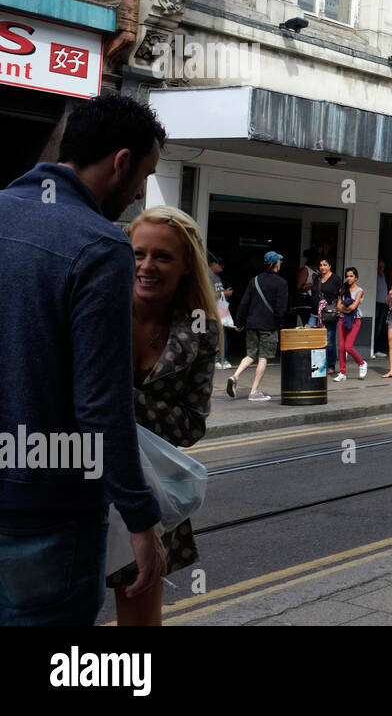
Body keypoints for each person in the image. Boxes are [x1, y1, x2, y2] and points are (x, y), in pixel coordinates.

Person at [0, 92, 167, 625]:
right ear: (121, 162)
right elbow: (100, 405)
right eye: (144, 173)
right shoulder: (99, 246)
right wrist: (142, 522)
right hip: (45, 511)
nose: (142, 190)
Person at [110, 206, 218, 626]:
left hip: (149, 488)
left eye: (163, 257)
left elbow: (192, 424)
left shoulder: (199, 330)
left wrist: (111, 398)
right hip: (76, 474)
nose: (147, 266)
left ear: (187, 263)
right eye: (138, 254)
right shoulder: (97, 310)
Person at [228, 251, 289, 402]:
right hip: (269, 326)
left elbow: (244, 303)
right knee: (263, 357)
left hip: (252, 324)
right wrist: (278, 324)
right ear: (276, 264)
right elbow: (282, 309)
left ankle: (235, 376)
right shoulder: (281, 283)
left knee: (250, 354)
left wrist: (239, 323)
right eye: (279, 262)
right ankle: (253, 392)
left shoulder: (254, 280)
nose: (280, 264)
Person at [311, 256, 343, 374]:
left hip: (329, 314)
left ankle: (331, 365)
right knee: (313, 339)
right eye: (320, 265)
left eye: (325, 265)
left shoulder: (336, 279)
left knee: (329, 341)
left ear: (330, 266)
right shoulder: (317, 278)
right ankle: (317, 366)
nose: (322, 267)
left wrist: (339, 308)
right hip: (315, 313)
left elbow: (341, 295)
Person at [335, 267, 367, 381]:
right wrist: (346, 310)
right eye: (347, 276)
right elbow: (338, 306)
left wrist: (344, 309)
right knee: (341, 347)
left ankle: (362, 363)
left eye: (351, 276)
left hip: (355, 320)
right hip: (342, 320)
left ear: (356, 277)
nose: (349, 278)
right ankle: (342, 373)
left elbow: (354, 307)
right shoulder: (342, 289)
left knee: (348, 346)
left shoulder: (360, 291)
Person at [209, 252, 235, 370]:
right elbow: (209, 294)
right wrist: (225, 293)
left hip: (219, 310)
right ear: (213, 264)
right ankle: (218, 360)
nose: (222, 267)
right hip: (211, 311)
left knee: (220, 335)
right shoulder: (207, 275)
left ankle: (220, 359)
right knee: (218, 335)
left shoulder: (217, 277)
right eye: (221, 264)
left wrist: (224, 294)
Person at [372, 258, 388, 358]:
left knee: (379, 327)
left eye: (383, 266)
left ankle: (377, 349)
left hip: (383, 304)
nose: (381, 268)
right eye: (380, 266)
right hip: (377, 304)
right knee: (376, 327)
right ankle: (373, 350)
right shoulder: (376, 276)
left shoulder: (383, 276)